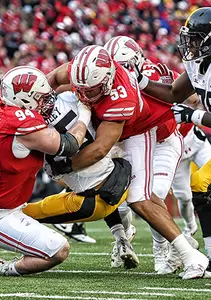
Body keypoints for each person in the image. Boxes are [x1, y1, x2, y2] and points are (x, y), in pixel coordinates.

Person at [47, 45, 208, 279]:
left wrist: (62, 167)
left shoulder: (121, 98)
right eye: (80, 87)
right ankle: (171, 243)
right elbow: (51, 79)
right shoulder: (86, 70)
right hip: (114, 127)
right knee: (136, 195)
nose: (84, 94)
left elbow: (100, 149)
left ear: (107, 80)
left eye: (90, 90)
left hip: (137, 132)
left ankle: (190, 255)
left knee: (138, 198)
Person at [134, 7, 211, 278]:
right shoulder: (201, 59)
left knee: (204, 186)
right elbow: (172, 93)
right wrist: (141, 81)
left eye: (195, 37)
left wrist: (193, 115)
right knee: (210, 188)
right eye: (188, 37)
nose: (188, 43)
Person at [0, 66, 91, 275]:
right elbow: (69, 144)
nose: (46, 103)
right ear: (24, 101)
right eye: (40, 99)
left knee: (1, 222)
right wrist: (84, 113)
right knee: (59, 250)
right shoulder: (23, 128)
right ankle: (7, 268)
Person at [22, 90, 139, 269]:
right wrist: (84, 112)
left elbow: (57, 175)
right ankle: (122, 239)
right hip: (120, 177)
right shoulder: (70, 98)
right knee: (107, 192)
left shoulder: (34, 130)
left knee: (18, 216)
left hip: (89, 203)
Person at [104, 36, 184, 272]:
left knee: (154, 192)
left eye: (122, 67)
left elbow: (187, 96)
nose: (118, 73)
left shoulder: (157, 73)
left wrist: (173, 90)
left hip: (163, 142)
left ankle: (161, 249)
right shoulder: (110, 82)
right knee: (118, 203)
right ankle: (123, 235)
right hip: (133, 142)